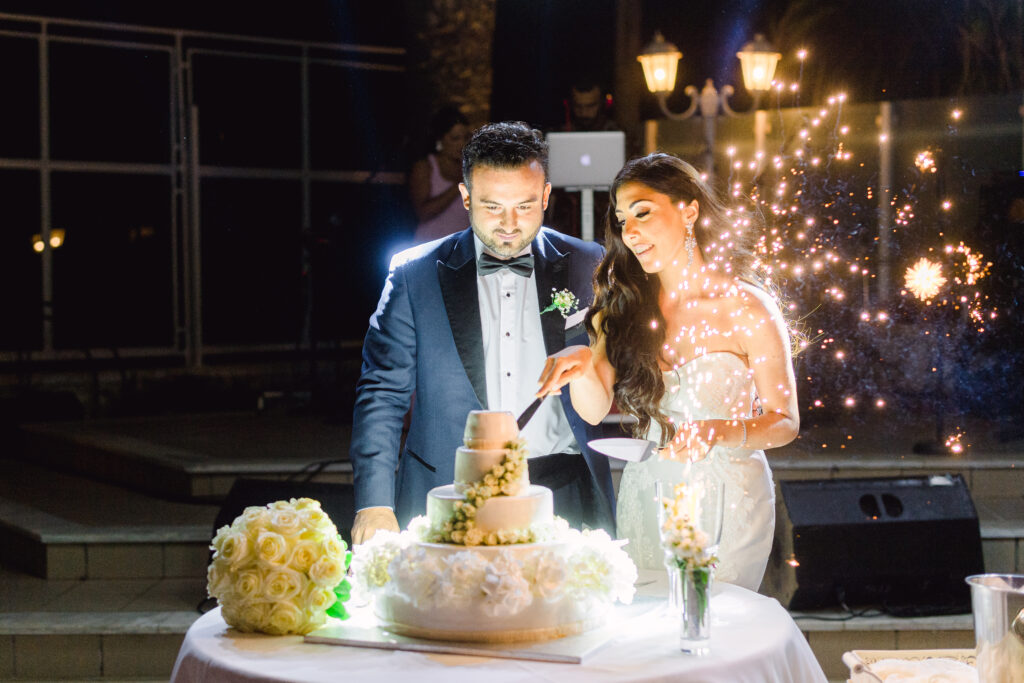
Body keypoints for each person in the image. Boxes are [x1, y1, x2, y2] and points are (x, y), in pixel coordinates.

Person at [536, 153, 800, 591]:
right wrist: (583, 367)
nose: (630, 232)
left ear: (689, 210)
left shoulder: (747, 307)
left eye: (642, 213)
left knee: (716, 618)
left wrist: (715, 431)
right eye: (622, 220)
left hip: (730, 500)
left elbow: (785, 422)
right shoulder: (622, 307)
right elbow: (594, 410)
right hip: (648, 493)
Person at [350, 121, 617, 544]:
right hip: (447, 492)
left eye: (525, 206)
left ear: (545, 195)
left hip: (562, 490)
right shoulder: (415, 274)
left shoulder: (588, 263)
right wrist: (374, 503)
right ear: (466, 197)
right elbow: (382, 393)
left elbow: (603, 378)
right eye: (492, 207)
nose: (509, 224)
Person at [409, 106, 470, 244]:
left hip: (461, 249)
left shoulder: (471, 167)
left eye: (466, 137)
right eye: (455, 138)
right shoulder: (426, 166)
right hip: (431, 245)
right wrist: (460, 183)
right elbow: (423, 213)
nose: (462, 144)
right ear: (440, 139)